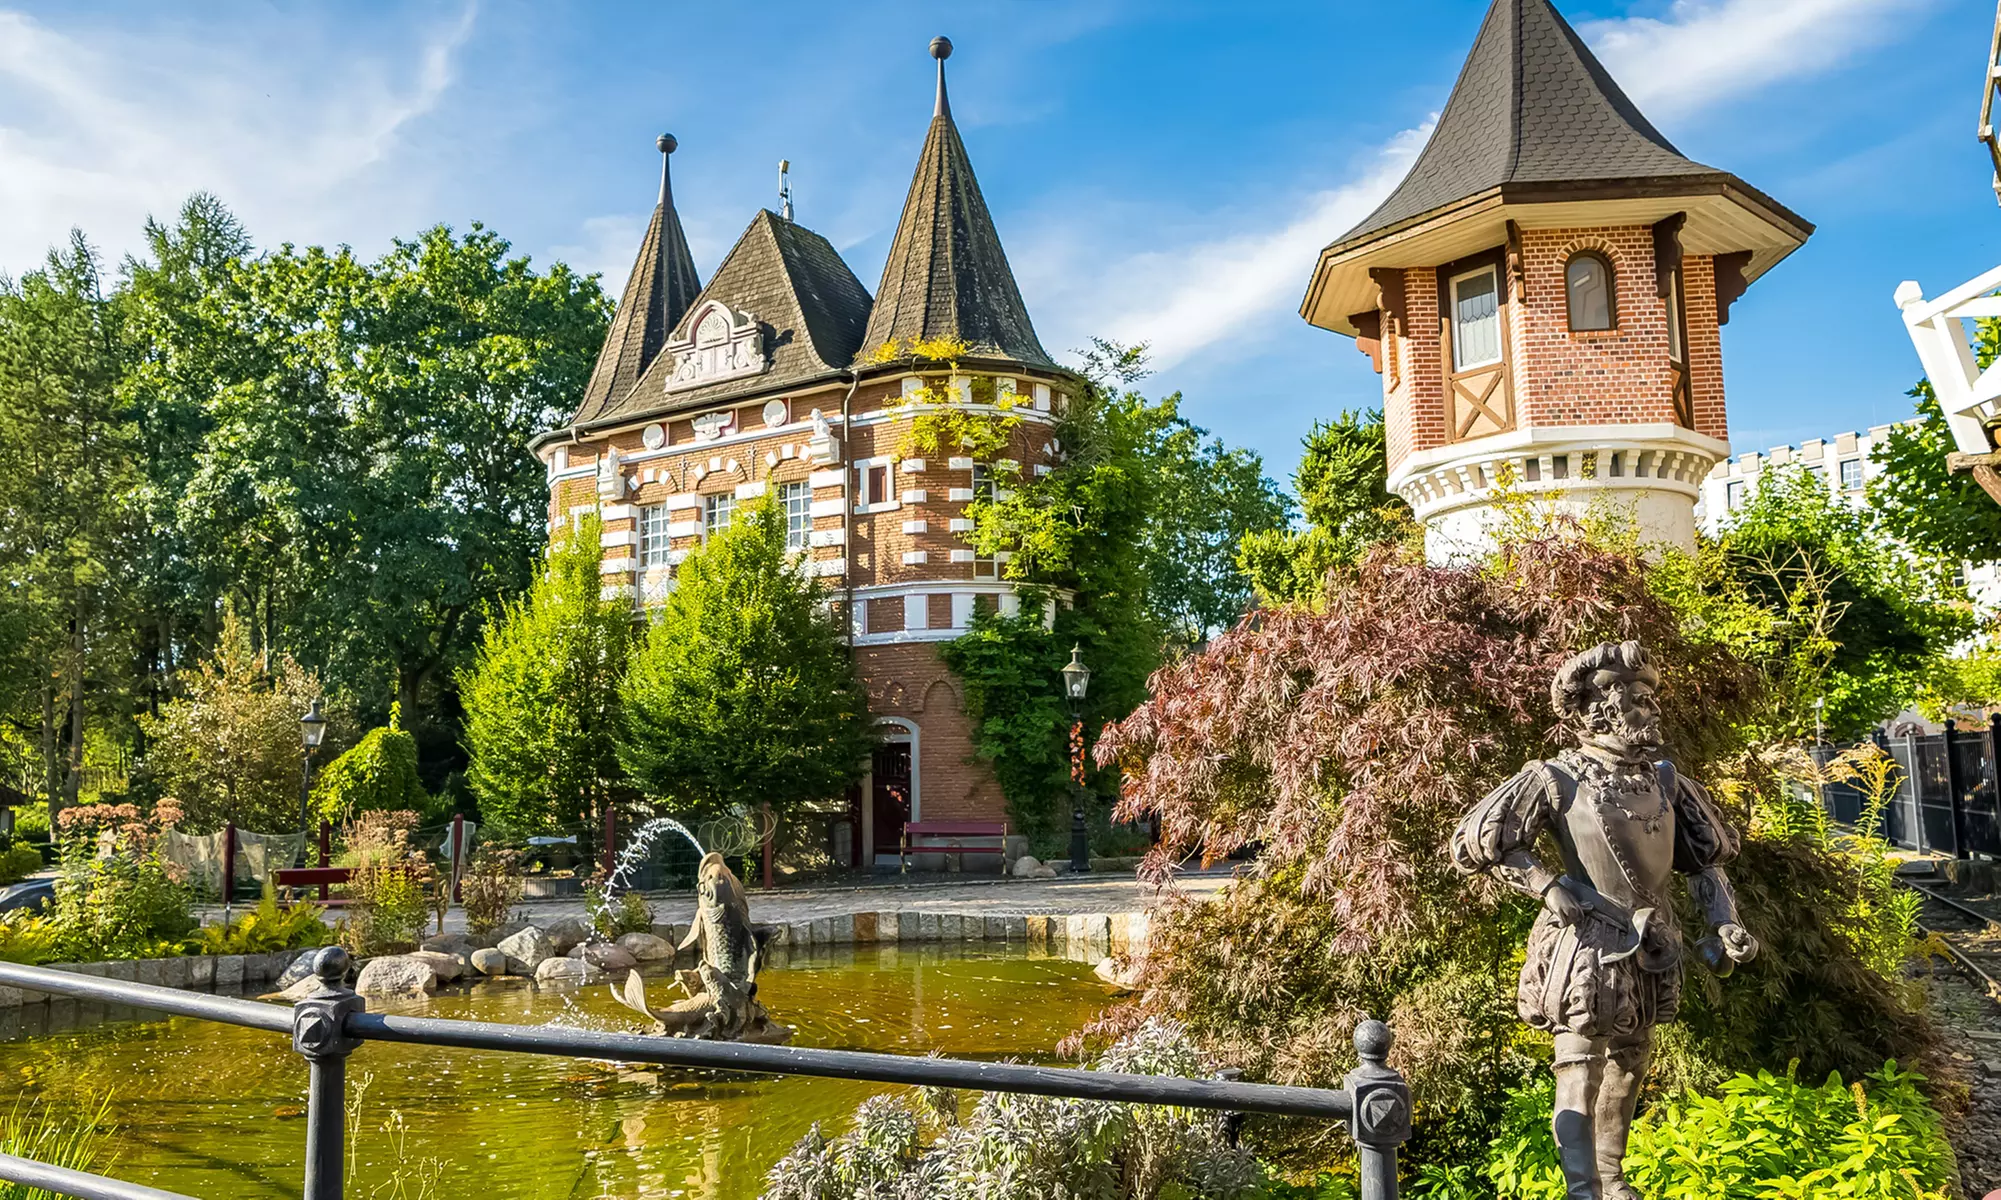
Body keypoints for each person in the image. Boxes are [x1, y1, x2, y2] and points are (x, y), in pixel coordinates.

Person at [1451, 640, 1757, 1200]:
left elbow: (1703, 865)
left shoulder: (1666, 782)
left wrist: (1724, 923)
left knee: (1631, 1063)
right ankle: (1583, 1189)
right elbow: (1480, 845)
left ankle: (1612, 1180)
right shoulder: (1555, 779)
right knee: (1579, 1067)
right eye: (1641, 700)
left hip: (1652, 942)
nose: (1654, 710)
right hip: (1585, 946)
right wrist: (1545, 885)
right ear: (1602, 709)